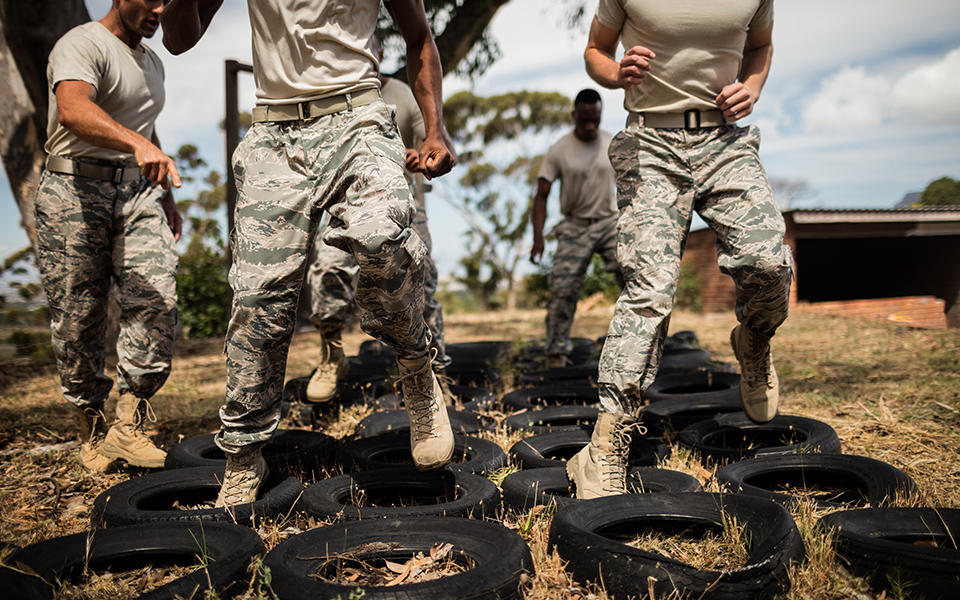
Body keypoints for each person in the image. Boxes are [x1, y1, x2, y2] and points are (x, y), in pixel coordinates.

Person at [161, 0, 457, 506]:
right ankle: (243, 453)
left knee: (381, 238)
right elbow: (179, 38)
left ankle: (416, 368)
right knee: (259, 302)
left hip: (358, 117)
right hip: (274, 133)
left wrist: (435, 128)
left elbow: (419, 36)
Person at [567, 0, 794, 498]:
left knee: (768, 263)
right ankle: (605, 445)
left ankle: (754, 340)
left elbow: (760, 46)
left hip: (725, 143)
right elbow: (596, 50)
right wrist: (614, 72)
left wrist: (752, 87)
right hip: (652, 140)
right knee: (649, 291)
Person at [34, 0, 183, 472]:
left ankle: (130, 422)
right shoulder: (82, 44)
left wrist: (164, 190)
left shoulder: (151, 60)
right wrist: (138, 144)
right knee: (79, 316)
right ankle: (91, 425)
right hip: (74, 189)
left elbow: (141, 123)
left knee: (156, 295)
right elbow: (74, 110)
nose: (162, 9)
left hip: (137, 192)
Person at [303, 41, 451, 404]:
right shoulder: (335, 94)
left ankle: (436, 373)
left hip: (405, 208)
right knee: (326, 272)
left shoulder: (402, 93)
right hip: (347, 207)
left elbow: (434, 140)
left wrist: (419, 154)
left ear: (378, 53)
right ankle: (332, 355)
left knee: (422, 285)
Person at [530, 88, 619, 369]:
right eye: (585, 120)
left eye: (596, 119)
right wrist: (538, 238)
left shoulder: (613, 144)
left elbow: (634, 185)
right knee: (563, 288)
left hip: (609, 223)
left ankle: (641, 344)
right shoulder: (559, 150)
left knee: (636, 278)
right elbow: (541, 195)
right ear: (575, 116)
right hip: (574, 225)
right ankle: (556, 353)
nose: (591, 125)